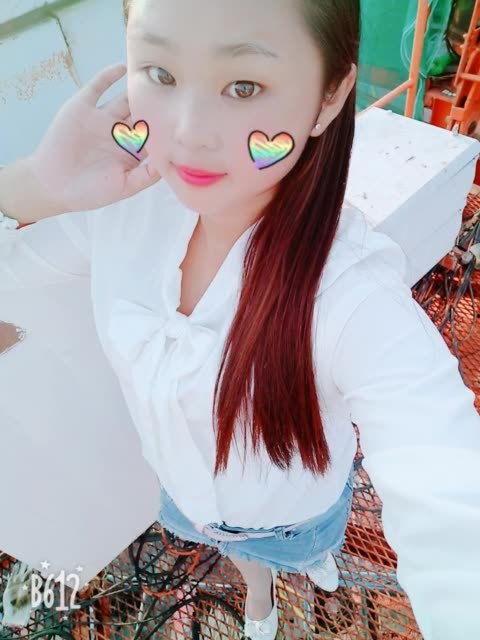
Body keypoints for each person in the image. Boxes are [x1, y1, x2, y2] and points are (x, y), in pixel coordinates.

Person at [1, 1, 479, 639]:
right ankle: (259, 590)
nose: (189, 132)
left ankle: (302, 569)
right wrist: (35, 186)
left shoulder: (350, 293)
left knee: (287, 552)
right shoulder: (119, 211)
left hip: (294, 517)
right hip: (184, 499)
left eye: (244, 86)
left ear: (330, 97)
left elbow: (450, 494)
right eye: (162, 74)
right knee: (234, 550)